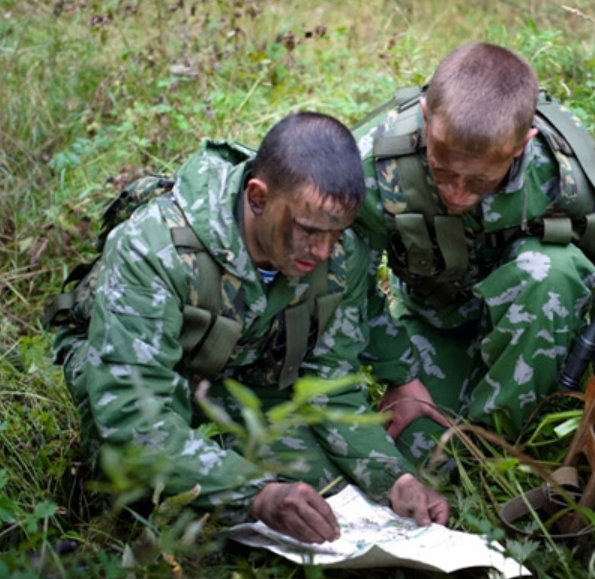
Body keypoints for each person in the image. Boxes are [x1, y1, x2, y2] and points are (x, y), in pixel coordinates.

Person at [51, 112, 449, 544]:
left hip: (241, 372)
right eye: (308, 231)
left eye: (337, 234)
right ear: (257, 197)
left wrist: (394, 479)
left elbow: (331, 383)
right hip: (138, 381)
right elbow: (131, 415)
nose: (322, 252)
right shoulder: (155, 246)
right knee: (142, 494)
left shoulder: (340, 254)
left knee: (328, 490)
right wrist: (255, 494)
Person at [353, 43, 595, 462]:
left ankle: (502, 450)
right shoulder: (374, 166)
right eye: (443, 170)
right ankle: (468, 450)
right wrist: (400, 374)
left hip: (538, 333)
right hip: (435, 324)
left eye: (480, 180)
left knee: (551, 268)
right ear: (427, 118)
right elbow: (343, 285)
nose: (457, 192)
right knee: (418, 460)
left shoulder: (571, 171)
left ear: (522, 144)